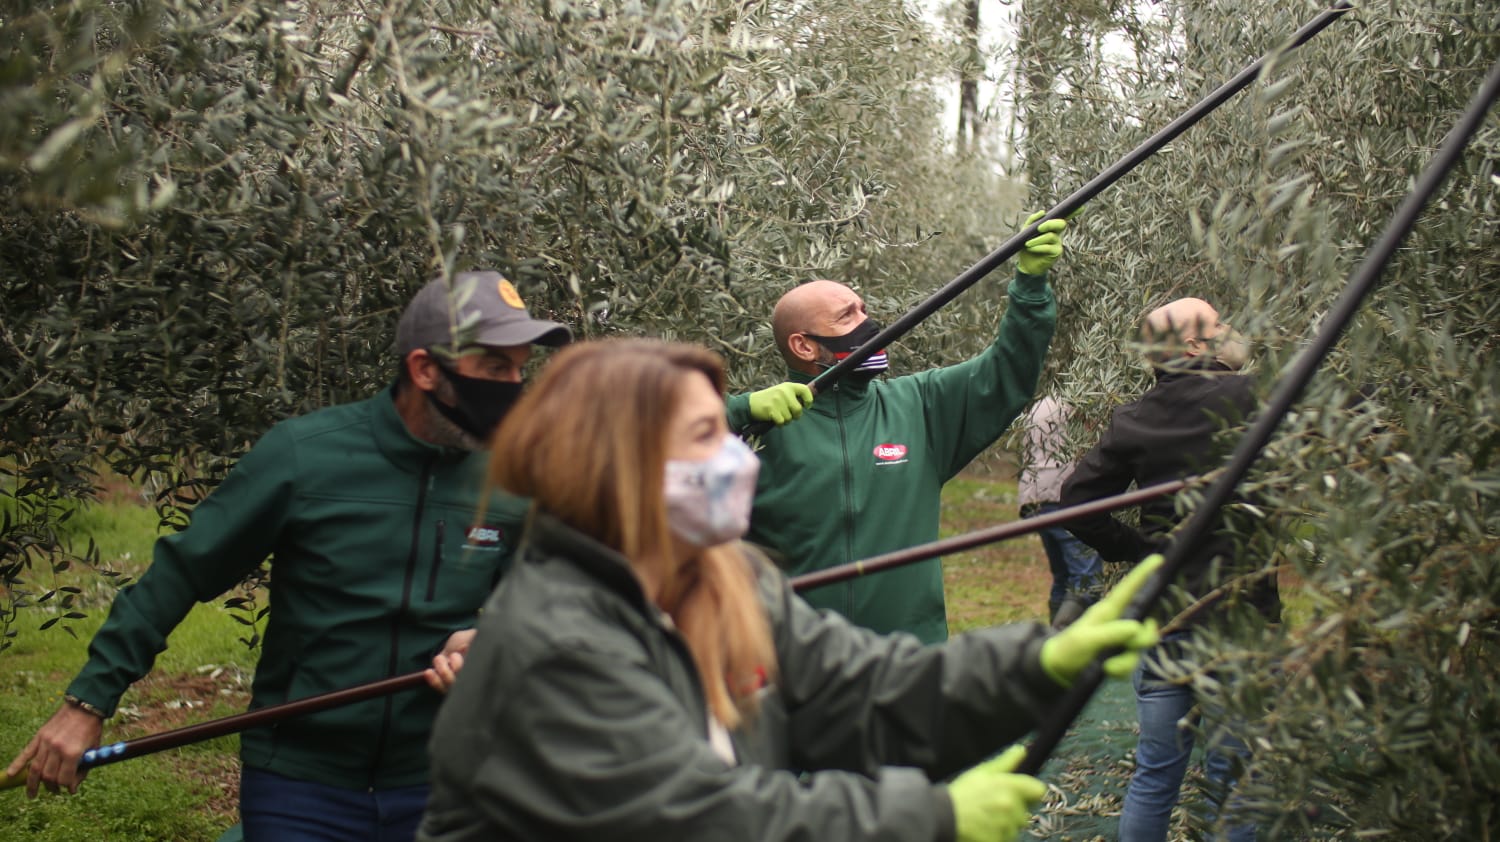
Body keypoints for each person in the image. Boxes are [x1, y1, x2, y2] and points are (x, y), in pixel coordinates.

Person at [417, 337, 1162, 842]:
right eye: (706, 436)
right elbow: (699, 821)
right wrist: (931, 817)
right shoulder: (554, 640)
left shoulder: (725, 577)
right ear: (619, 466)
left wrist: (1041, 663)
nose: (736, 459)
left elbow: (862, 689)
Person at [4, 270, 571, 841]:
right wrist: (87, 703)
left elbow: (547, 608)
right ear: (426, 369)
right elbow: (179, 576)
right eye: (497, 368)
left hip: (442, 777)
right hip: (301, 783)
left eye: (521, 369)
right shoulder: (304, 457)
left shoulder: (513, 481)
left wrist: (492, 640)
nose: (514, 386)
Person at [726, 212, 1068, 643]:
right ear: (803, 344)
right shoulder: (757, 431)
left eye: (865, 310)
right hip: (795, 666)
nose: (869, 325)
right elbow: (647, 439)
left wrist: (1030, 287)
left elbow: (1007, 372)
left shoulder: (920, 405)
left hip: (910, 662)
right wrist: (738, 411)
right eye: (847, 317)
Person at [1058, 297, 1281, 842]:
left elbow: (1076, 501)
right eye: (1219, 323)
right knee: (1239, 774)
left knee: (1156, 772)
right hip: (1238, 615)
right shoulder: (1251, 396)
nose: (1232, 329)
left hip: (1166, 616)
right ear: (1194, 345)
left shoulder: (1136, 416)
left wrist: (1140, 550)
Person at [1017, 394, 1104, 628]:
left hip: (1034, 498)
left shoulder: (1040, 405)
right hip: (1062, 497)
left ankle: (1053, 642)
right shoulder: (1080, 402)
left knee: (1064, 577)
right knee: (1087, 581)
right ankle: (1064, 640)